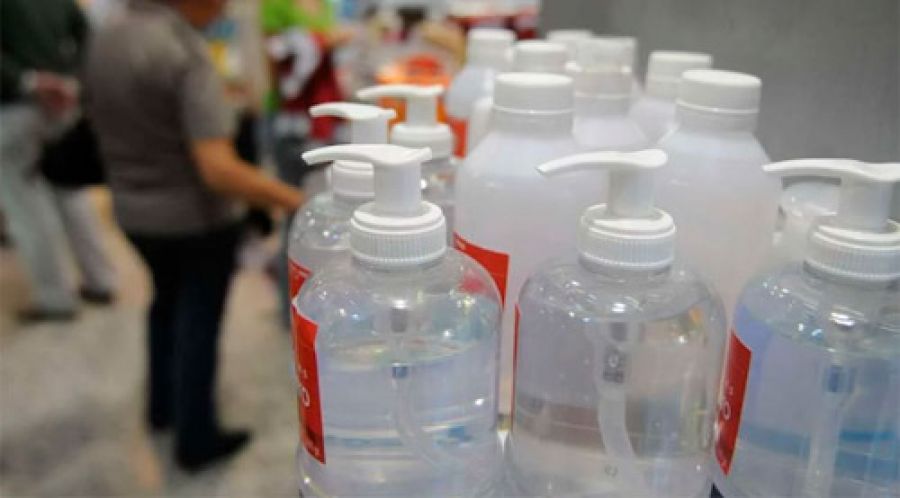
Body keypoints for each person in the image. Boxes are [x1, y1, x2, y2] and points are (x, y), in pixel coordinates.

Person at [84, 0, 303, 471]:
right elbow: (217, 168)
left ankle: (161, 407)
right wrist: (294, 199)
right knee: (198, 322)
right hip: (193, 220)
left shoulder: (109, 36)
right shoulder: (183, 51)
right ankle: (196, 437)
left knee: (165, 302)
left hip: (132, 210)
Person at [0, 0, 117, 322]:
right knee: (71, 193)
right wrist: (70, 80)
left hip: (13, 107)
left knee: (26, 208)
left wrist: (30, 81)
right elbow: (88, 37)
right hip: (61, 106)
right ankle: (100, 279)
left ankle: (54, 297)